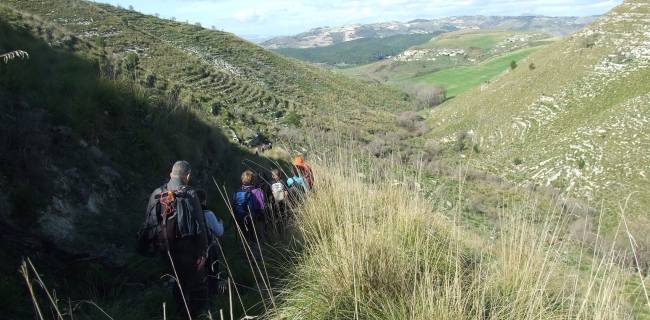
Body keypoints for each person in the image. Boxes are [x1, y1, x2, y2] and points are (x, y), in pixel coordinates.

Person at [145, 161, 209, 319]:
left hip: (166, 248)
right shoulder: (190, 193)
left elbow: (149, 223)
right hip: (189, 249)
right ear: (187, 176)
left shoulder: (157, 193)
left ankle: (181, 310)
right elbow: (199, 224)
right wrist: (203, 251)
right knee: (196, 283)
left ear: (170, 174)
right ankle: (195, 314)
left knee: (178, 280)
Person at [196, 189, 224, 297]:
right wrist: (220, 224)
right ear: (204, 201)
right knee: (213, 269)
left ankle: (199, 294)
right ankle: (212, 293)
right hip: (209, 247)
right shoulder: (208, 214)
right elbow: (219, 232)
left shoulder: (189, 214)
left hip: (193, 249)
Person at [232, 170, 265, 244]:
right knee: (258, 240)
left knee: (246, 240)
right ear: (253, 180)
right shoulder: (257, 191)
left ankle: (246, 253)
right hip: (254, 220)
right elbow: (261, 208)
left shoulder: (238, 192)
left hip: (240, 219)